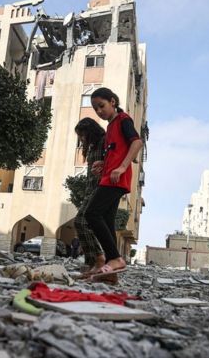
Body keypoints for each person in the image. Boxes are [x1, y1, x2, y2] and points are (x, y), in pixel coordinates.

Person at [84, 88, 143, 277]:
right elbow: (116, 150)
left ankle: (115, 258)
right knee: (107, 220)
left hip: (116, 179)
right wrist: (103, 163)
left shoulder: (123, 119)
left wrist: (122, 167)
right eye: (95, 109)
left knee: (91, 214)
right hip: (109, 176)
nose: (99, 111)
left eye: (101, 106)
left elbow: (136, 143)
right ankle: (111, 273)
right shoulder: (110, 127)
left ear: (113, 102)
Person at [73, 118, 107, 276]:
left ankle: (99, 258)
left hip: (101, 188)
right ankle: (90, 263)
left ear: (90, 131)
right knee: (82, 223)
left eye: (82, 135)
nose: (81, 139)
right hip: (90, 189)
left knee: (81, 221)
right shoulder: (91, 146)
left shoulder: (104, 141)